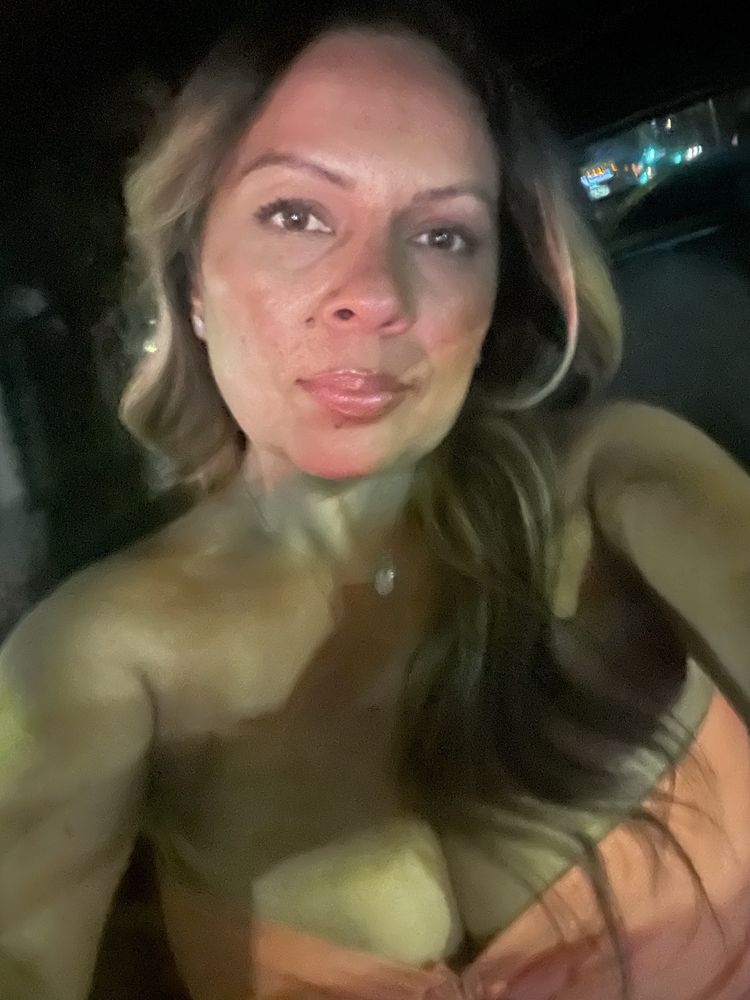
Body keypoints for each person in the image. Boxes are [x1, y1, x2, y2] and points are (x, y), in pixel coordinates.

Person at [1, 3, 750, 998]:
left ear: (495, 295)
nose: (377, 294)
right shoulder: (95, 655)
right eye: (296, 215)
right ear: (192, 283)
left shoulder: (617, 479)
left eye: (443, 234)